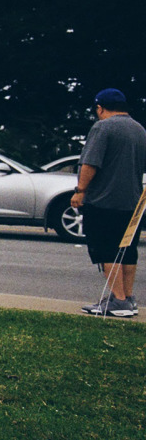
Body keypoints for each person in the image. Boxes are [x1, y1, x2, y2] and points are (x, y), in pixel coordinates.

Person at [72, 88, 146, 317]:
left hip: (104, 201)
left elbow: (90, 163)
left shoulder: (102, 127)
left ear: (100, 107)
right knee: (127, 250)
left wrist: (80, 191)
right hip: (133, 201)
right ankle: (128, 298)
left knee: (105, 250)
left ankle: (118, 301)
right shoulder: (139, 129)